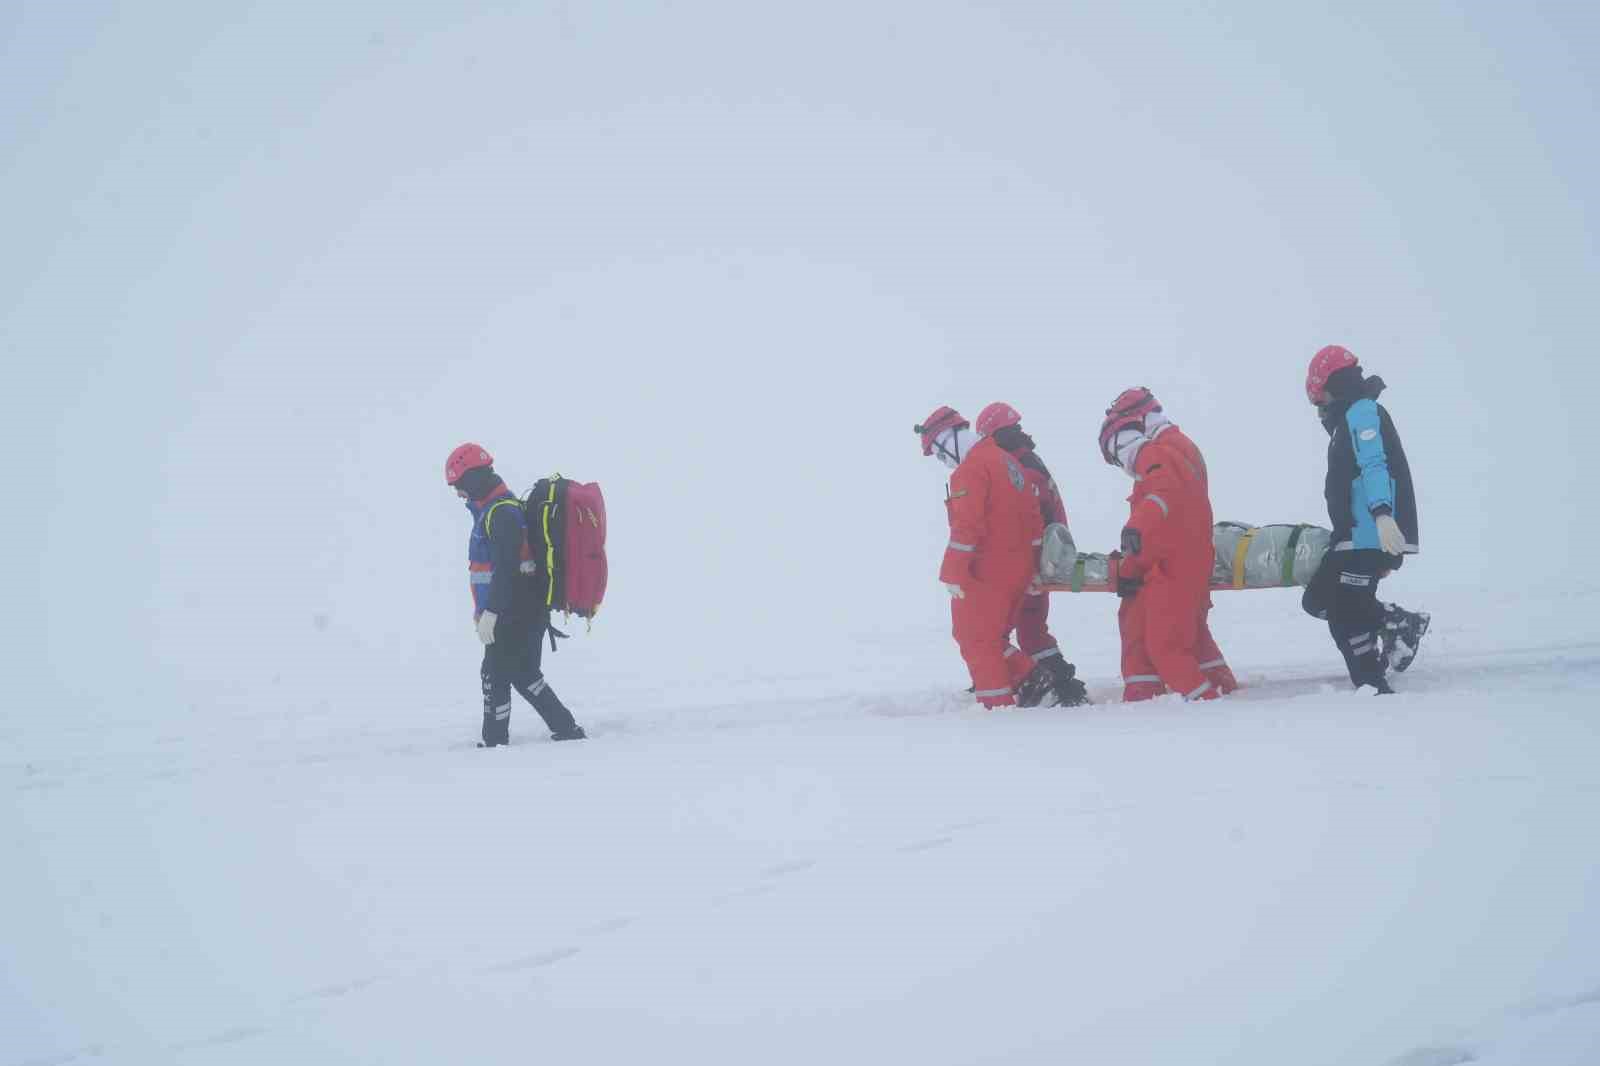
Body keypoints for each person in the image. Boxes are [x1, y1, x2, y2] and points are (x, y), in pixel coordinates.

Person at [1299, 346, 1429, 693]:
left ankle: (1377, 676)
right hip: (1353, 533)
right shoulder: (1348, 419)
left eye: (1319, 398)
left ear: (1335, 386)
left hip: (1373, 532)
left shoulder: (1363, 412)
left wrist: (1384, 515)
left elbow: (1375, 465)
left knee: (1341, 607)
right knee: (1322, 601)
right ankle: (1391, 636)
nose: (1319, 408)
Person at [1098, 388, 1237, 703]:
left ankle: (1207, 704)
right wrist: (1133, 562)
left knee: (1167, 648)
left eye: (1116, 452)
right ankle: (1217, 687)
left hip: (1170, 566)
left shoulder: (1159, 453)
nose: (1121, 463)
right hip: (1180, 561)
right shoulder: (1178, 448)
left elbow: (1163, 500)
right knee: (1191, 637)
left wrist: (1135, 533)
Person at [445, 443, 587, 746]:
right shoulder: (498, 510)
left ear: (473, 479)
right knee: (524, 673)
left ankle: (495, 743)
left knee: (493, 675)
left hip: (514, 611)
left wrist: (492, 613)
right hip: (525, 608)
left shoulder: (502, 514)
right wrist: (482, 611)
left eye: (459, 486)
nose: (458, 494)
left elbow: (507, 569)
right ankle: (567, 729)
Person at [916, 406, 1045, 708]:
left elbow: (967, 526)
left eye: (938, 451)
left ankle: (997, 709)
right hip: (1019, 568)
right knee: (993, 637)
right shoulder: (1007, 461)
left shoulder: (971, 469)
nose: (942, 460)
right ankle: (1032, 679)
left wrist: (952, 573)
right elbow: (1034, 517)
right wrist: (1035, 567)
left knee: (975, 638)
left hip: (987, 570)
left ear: (948, 438)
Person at [973, 402, 1090, 707]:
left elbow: (1026, 519)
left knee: (1006, 630)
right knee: (1032, 631)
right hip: (1043, 559)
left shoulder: (1021, 469)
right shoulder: (1029, 461)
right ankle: (1057, 684)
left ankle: (1054, 685)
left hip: (1033, 562)